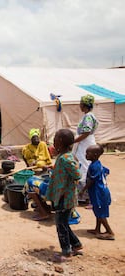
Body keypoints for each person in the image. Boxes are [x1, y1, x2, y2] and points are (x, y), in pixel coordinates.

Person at [45, 129, 83, 262]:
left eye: (55, 138)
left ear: (60, 142)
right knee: (64, 223)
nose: (53, 141)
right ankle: (76, 245)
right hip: (63, 196)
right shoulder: (64, 156)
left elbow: (77, 174)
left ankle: (66, 253)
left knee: (61, 225)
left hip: (64, 197)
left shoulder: (66, 158)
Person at [79, 144, 114, 240]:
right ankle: (97, 229)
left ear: (94, 155)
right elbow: (107, 171)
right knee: (97, 211)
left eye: (87, 153)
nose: (86, 155)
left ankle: (110, 232)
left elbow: (91, 181)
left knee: (101, 214)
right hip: (99, 192)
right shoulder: (97, 164)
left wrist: (82, 190)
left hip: (99, 194)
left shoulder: (94, 166)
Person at [73, 94, 98, 204]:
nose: (79, 106)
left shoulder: (88, 116)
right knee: (83, 165)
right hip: (85, 143)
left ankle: (86, 196)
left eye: (81, 104)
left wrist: (74, 141)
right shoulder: (89, 115)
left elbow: (86, 132)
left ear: (84, 105)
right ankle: (84, 195)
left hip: (85, 144)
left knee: (84, 167)